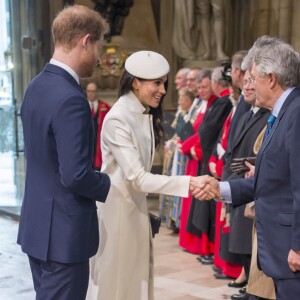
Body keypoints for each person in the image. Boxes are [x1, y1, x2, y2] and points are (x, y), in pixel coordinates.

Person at [88, 50, 218, 300]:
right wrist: (190, 182)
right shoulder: (118, 118)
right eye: (157, 83)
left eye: (164, 83)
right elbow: (138, 178)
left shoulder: (143, 112)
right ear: (136, 82)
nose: (163, 90)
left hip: (134, 209)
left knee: (136, 283)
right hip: (117, 214)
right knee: (116, 285)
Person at [194, 35, 300, 300]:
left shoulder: (296, 114)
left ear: (271, 78)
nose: (248, 85)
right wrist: (220, 188)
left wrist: (298, 246)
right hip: (279, 248)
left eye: (252, 78)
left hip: (290, 251)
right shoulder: (284, 111)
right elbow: (269, 179)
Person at [17, 5, 111, 300]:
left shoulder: (35, 86)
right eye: (97, 46)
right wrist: (109, 183)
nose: (98, 56)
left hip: (37, 227)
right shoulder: (72, 98)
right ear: (86, 41)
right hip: (63, 236)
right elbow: (75, 175)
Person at [86, 82, 110, 171]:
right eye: (89, 91)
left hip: (99, 140)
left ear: (97, 92)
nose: (91, 93)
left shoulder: (105, 107)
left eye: (93, 91)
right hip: (86, 141)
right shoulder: (81, 106)